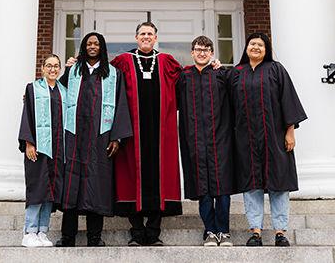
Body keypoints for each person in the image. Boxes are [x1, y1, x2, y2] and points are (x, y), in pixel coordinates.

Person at [228, 33, 307, 247]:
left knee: (279, 184)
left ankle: (280, 231)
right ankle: (255, 231)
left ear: (266, 49)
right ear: (246, 48)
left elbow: (288, 100)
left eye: (260, 45)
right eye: (252, 44)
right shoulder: (236, 73)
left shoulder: (276, 69)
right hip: (246, 140)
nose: (255, 47)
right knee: (251, 185)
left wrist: (290, 132)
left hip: (274, 138)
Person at [55, 32, 132, 247]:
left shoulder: (113, 74)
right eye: (88, 43)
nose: (92, 46)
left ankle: (94, 237)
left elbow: (122, 104)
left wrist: (116, 136)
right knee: (72, 186)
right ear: (83, 47)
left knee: (97, 187)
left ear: (102, 47)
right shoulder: (72, 71)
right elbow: (57, 95)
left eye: (96, 44)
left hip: (101, 138)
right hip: (74, 137)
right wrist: (32, 96)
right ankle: (68, 236)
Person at [111, 22, 182, 246]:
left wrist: (213, 66)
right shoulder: (123, 61)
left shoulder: (166, 61)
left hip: (162, 133)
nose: (146, 37)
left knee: (160, 178)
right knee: (131, 177)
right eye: (142, 33)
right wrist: (76, 65)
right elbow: (104, 78)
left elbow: (188, 82)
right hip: (132, 132)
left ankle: (153, 232)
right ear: (136, 37)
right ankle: (136, 231)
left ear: (155, 37)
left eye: (150, 34)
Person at [177, 36, 234, 247]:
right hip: (194, 141)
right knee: (203, 188)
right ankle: (210, 230)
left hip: (220, 140)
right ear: (192, 52)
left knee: (222, 187)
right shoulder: (183, 77)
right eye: (198, 49)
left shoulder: (222, 76)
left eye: (206, 49)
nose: (202, 53)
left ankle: (224, 231)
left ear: (212, 53)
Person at [18, 54, 66, 247]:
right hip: (37, 149)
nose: (53, 69)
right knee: (37, 189)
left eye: (56, 66)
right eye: (49, 66)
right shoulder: (33, 89)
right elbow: (26, 115)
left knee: (50, 192)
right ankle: (29, 232)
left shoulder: (63, 91)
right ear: (42, 68)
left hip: (57, 150)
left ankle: (43, 232)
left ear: (60, 69)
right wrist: (29, 143)